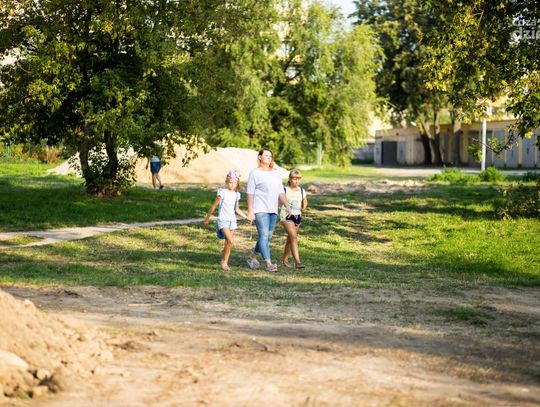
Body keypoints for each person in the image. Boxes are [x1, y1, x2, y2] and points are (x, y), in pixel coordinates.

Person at [246, 147, 290, 272]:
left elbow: (280, 191)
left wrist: (287, 205)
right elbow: (250, 193)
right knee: (264, 235)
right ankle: (268, 263)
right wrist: (250, 211)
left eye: (270, 156)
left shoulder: (276, 172)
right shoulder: (255, 173)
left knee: (268, 236)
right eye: (266, 155)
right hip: (259, 208)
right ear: (260, 157)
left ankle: (253, 257)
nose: (268, 158)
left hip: (273, 209)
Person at [203, 170, 247, 270]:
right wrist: (207, 219)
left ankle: (224, 260)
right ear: (227, 182)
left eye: (235, 183)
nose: (232, 184)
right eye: (230, 182)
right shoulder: (222, 193)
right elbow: (213, 206)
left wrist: (246, 217)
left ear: (237, 183)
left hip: (232, 221)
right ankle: (224, 263)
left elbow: (237, 209)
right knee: (230, 240)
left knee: (228, 242)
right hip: (223, 220)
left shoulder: (236, 195)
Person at [280, 169, 308, 269]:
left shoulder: (302, 191)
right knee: (294, 237)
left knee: (290, 239)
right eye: (294, 179)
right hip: (286, 216)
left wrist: (304, 207)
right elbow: (279, 201)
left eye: (298, 179)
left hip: (297, 216)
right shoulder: (285, 190)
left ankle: (285, 259)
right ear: (289, 179)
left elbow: (305, 202)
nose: (296, 181)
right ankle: (298, 262)